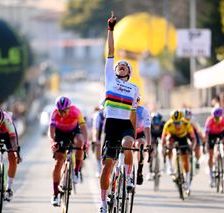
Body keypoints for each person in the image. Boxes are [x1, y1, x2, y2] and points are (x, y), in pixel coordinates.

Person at [99, 11, 140, 213]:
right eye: (119, 66)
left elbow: (134, 114)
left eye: (125, 66)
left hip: (125, 125)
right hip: (111, 125)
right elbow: (112, 50)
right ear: (114, 70)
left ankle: (129, 175)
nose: (121, 66)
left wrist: (135, 132)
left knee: (127, 145)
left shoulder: (134, 88)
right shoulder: (110, 78)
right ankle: (103, 202)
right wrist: (110, 29)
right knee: (107, 166)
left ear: (129, 72)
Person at [49, 96, 89, 206]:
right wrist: (53, 142)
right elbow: (51, 131)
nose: (62, 114)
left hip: (73, 131)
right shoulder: (54, 113)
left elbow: (84, 127)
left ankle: (76, 171)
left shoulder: (76, 111)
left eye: (64, 111)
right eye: (60, 111)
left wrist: (86, 142)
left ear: (69, 108)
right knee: (58, 161)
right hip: (60, 133)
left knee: (80, 143)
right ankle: (55, 194)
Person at [161, 110, 196, 193]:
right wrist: (164, 149)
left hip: (183, 138)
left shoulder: (186, 124)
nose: (177, 125)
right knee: (169, 143)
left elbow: (193, 138)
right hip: (172, 137)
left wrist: (192, 147)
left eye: (179, 123)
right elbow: (163, 139)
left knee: (185, 161)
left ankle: (187, 181)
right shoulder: (168, 125)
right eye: (175, 123)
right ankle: (170, 167)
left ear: (182, 120)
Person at [204, 107, 224, 187]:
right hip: (211, 134)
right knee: (210, 155)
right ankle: (211, 177)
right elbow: (206, 134)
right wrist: (205, 144)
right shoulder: (210, 120)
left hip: (221, 133)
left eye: (218, 118)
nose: (216, 119)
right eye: (215, 118)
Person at [134, 96, 151, 185]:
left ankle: (139, 171)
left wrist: (149, 144)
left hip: (139, 133)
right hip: (127, 132)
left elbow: (147, 128)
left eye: (136, 100)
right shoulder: (125, 109)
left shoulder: (143, 111)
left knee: (141, 144)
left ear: (139, 101)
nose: (134, 101)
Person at [147, 112, 165, 180]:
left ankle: (164, 165)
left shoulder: (163, 125)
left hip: (160, 135)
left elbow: (165, 136)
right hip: (153, 136)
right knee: (151, 149)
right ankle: (150, 170)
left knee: (164, 146)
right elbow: (148, 137)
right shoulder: (149, 125)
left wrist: (163, 145)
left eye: (158, 125)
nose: (156, 127)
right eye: (155, 125)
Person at [92, 104, 106, 178]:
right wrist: (96, 139)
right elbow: (96, 129)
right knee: (98, 144)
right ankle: (99, 167)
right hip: (100, 131)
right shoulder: (98, 115)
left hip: (108, 131)